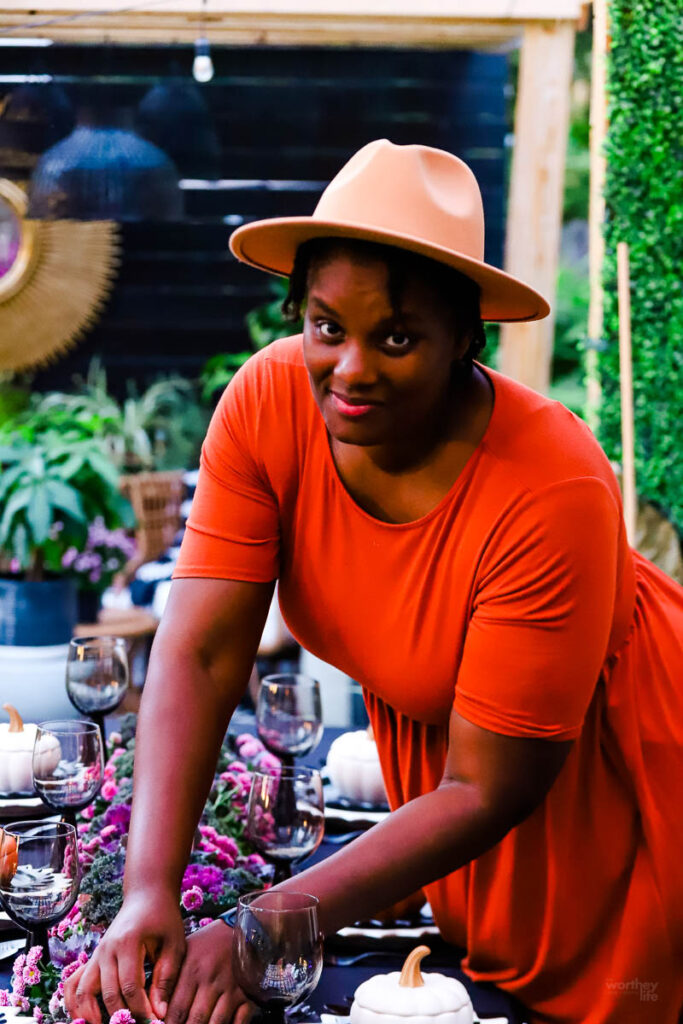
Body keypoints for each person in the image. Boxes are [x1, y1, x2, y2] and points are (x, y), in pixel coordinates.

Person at [64, 140, 683, 1024]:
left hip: (615, 794)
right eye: (327, 328)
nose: (350, 369)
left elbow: (488, 786)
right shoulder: (268, 404)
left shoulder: (552, 486)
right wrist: (147, 891)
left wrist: (265, 926)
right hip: (455, 814)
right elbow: (198, 654)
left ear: (465, 336)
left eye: (395, 337)